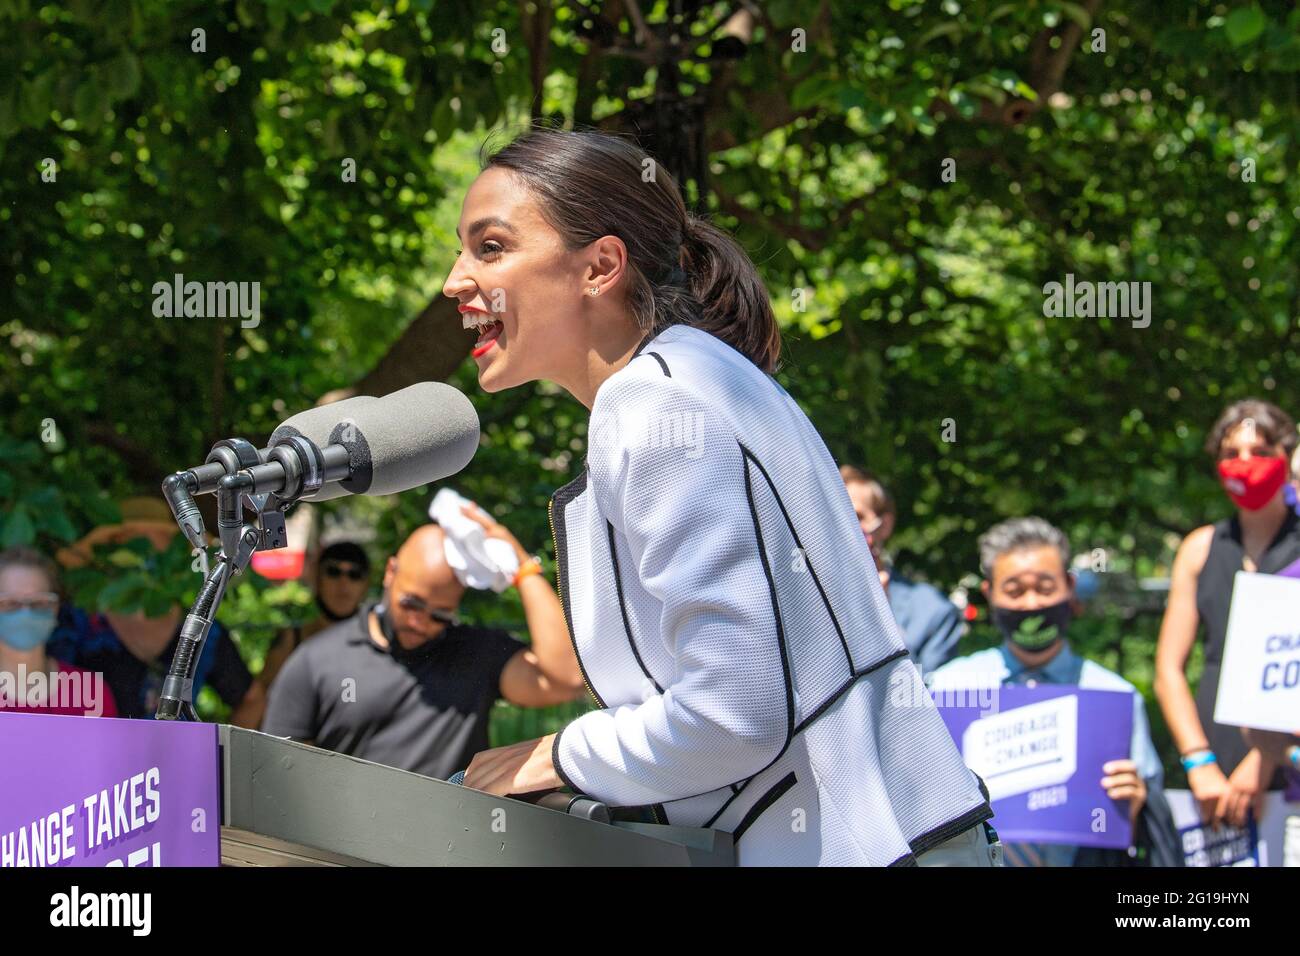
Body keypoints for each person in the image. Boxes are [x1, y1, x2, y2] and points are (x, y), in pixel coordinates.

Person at [443, 125, 995, 866]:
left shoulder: (654, 404)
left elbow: (734, 713)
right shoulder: (701, 378)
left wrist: (555, 755)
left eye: (490, 247)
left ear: (600, 265)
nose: (454, 281)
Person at [927, 518, 1180, 866]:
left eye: (1045, 588)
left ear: (1070, 588)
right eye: (1014, 590)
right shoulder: (946, 691)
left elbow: (1145, 827)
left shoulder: (1113, 697)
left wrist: (1136, 804)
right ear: (990, 594)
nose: (1031, 603)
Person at [261, 516, 586, 780]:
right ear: (390, 572)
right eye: (411, 604)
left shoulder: (474, 653)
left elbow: (565, 678)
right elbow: (277, 770)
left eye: (440, 615)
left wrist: (523, 569)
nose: (420, 622)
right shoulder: (318, 658)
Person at [1154, 400, 1300, 828]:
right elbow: (1168, 669)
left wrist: (1264, 759)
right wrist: (1199, 762)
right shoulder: (1199, 548)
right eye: (1231, 453)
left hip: (1287, 767)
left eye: (1258, 451)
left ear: (1285, 457)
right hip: (1213, 770)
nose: (1245, 463)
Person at [49, 498, 262, 724]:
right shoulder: (79, 624)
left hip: (172, 757)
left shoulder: (201, 628)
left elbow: (251, 698)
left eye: (157, 534)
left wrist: (219, 755)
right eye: (132, 535)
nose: (145, 543)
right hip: (95, 756)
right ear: (115, 545)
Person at [840, 465, 963, 676]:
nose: (843, 526)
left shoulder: (934, 612)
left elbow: (929, 700)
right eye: (832, 517)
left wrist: (881, 624)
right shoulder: (794, 599)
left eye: (856, 516)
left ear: (884, 524)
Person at [0, 547, 117, 718]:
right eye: (10, 603)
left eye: (39, 603)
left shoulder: (90, 693)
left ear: (55, 609)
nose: (26, 613)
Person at [257, 541, 371, 696]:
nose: (344, 583)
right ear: (317, 578)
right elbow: (260, 701)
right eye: (333, 571)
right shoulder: (290, 640)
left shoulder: (379, 644)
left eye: (354, 574)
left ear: (365, 585)